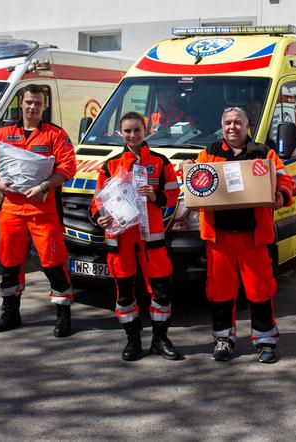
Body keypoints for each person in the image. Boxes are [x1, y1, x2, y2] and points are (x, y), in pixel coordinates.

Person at [186, 107, 293, 363]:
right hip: (219, 237)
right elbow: (195, 180)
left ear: (248, 127)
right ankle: (223, 338)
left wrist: (281, 195)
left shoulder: (263, 152)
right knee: (220, 290)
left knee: (260, 290)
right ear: (222, 126)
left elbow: (286, 180)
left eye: (237, 123)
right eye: (227, 123)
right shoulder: (209, 153)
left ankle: (265, 340)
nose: (232, 127)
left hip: (253, 236)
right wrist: (189, 168)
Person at [0, 84, 76, 337]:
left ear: (44, 106)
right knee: (9, 262)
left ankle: (63, 315)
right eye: (28, 102)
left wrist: (45, 185)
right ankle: (10, 313)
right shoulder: (3, 133)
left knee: (53, 263)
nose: (32, 107)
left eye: (37, 103)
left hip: (43, 211)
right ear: (20, 104)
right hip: (11, 209)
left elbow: (68, 167)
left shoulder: (55, 135)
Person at [90, 111, 181, 361]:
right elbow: (97, 200)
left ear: (146, 131)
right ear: (121, 133)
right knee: (125, 294)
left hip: (152, 239)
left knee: (161, 292)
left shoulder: (161, 162)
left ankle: (160, 340)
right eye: (127, 131)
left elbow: (173, 196)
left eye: (137, 130)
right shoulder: (110, 164)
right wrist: (99, 217)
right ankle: (132, 340)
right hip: (120, 241)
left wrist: (155, 196)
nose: (132, 135)